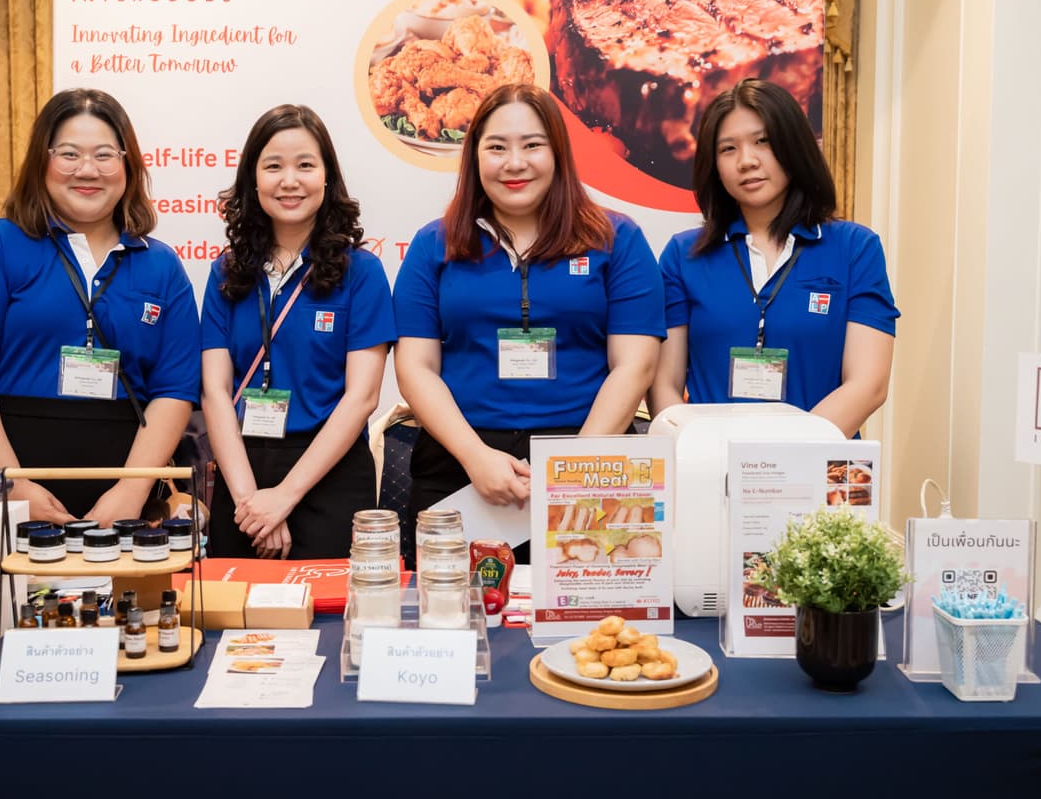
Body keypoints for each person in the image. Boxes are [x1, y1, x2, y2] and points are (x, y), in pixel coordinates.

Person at [393, 83, 664, 554]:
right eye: (496, 147)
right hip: (461, 464)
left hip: (591, 461)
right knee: (455, 617)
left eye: (532, 145)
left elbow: (635, 365)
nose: (514, 163)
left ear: (558, 152)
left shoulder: (616, 239)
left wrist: (571, 471)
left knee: (588, 622)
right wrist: (476, 457)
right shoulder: (434, 244)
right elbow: (415, 368)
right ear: (474, 157)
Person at [0, 88, 199, 526]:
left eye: (105, 155)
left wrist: (132, 491)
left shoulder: (161, 265)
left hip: (125, 497)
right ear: (42, 161)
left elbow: (174, 391)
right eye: (69, 154)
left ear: (128, 165)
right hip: (10, 486)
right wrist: (10, 483)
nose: (87, 170)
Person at [650, 78, 898, 437]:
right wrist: (704, 454)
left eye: (762, 141)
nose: (747, 161)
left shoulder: (855, 249)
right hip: (711, 473)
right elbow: (663, 385)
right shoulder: (682, 255)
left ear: (794, 147)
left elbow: (869, 385)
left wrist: (775, 465)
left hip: (816, 472)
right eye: (728, 149)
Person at [201, 104, 395, 559]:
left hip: (330, 475)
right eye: (273, 166)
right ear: (252, 179)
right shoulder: (227, 272)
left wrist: (284, 496)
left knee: (331, 624)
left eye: (305, 165)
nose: (290, 180)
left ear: (327, 177)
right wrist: (251, 502)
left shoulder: (361, 272)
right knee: (236, 625)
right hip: (241, 473)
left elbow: (362, 397)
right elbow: (214, 390)